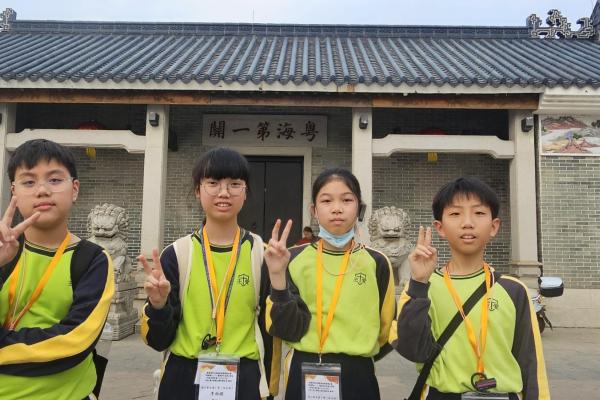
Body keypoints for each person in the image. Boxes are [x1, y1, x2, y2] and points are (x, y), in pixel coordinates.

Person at [390, 177, 550, 399]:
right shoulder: (422, 287)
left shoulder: (513, 290)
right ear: (440, 227)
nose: (467, 222)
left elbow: (531, 364)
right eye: (455, 214)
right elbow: (411, 349)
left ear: (494, 226)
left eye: (479, 213)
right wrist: (418, 282)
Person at [140, 147, 276, 400]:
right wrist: (158, 307)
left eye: (234, 184)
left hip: (244, 378)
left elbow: (273, 333)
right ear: (197, 190)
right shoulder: (176, 255)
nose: (224, 192)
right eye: (213, 183)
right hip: (183, 378)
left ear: (246, 192)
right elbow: (158, 341)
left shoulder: (263, 254)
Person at [264, 167, 395, 400]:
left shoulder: (377, 262)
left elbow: (387, 329)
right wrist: (277, 275)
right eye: (326, 201)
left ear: (359, 208)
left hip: (359, 373)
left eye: (347, 200)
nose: (337, 208)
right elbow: (282, 327)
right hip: (306, 369)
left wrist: (356, 351)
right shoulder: (292, 259)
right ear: (314, 210)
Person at [0, 139, 115, 400]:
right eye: (29, 182)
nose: (42, 190)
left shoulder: (92, 260)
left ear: (74, 189)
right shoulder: (4, 252)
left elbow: (74, 342)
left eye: (54, 180)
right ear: (14, 192)